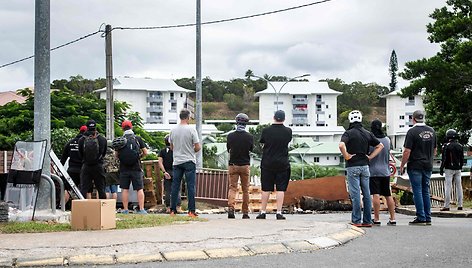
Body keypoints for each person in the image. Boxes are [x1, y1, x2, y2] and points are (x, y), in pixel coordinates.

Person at [339, 110, 383, 227]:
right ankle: (367, 220)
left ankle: (356, 220)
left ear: (350, 120)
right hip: (365, 166)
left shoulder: (348, 133)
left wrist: (347, 156)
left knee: (356, 194)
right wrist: (369, 157)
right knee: (367, 194)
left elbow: (341, 145)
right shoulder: (367, 133)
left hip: (352, 166)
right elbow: (380, 146)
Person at [400, 110, 437, 226]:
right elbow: (435, 150)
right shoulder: (432, 131)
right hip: (428, 164)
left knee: (417, 191)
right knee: (425, 190)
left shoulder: (412, 132)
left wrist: (402, 164)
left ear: (413, 119)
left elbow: (407, 151)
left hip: (415, 164)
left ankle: (421, 216)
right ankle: (428, 216)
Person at [256, 110, 292, 220]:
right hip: (282, 162)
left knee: (266, 188)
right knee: (281, 188)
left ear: (274, 117)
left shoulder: (266, 131)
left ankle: (263, 212)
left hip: (267, 162)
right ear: (284, 119)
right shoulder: (288, 131)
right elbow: (287, 142)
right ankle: (279, 212)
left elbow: (262, 142)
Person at [169, 109, 201, 218]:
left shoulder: (173, 130)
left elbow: (171, 147)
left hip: (177, 161)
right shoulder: (191, 130)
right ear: (187, 117)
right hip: (189, 160)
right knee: (190, 186)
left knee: (175, 186)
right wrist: (192, 150)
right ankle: (191, 210)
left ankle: (172, 210)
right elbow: (197, 147)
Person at [115, 120, 148, 214]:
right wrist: (139, 157)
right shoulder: (137, 138)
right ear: (131, 127)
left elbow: (116, 155)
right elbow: (145, 152)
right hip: (136, 167)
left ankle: (125, 209)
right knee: (139, 188)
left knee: (125, 189)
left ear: (122, 128)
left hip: (124, 168)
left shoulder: (120, 140)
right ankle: (141, 209)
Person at [226, 113, 254, 219]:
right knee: (245, 189)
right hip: (245, 165)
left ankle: (231, 209)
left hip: (233, 164)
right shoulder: (249, 137)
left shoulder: (230, 136)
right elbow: (251, 149)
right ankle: (245, 212)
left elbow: (228, 148)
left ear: (236, 122)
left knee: (233, 188)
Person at [369, 119, 396, 226]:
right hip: (385, 170)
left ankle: (376, 218)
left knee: (375, 194)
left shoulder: (371, 140)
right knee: (388, 194)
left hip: (373, 170)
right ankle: (393, 218)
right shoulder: (387, 140)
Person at [78, 120, 107, 199]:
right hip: (98, 166)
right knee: (101, 189)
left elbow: (80, 154)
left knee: (84, 188)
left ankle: (83, 208)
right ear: (95, 127)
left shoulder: (81, 140)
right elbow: (103, 153)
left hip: (86, 166)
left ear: (87, 127)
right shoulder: (102, 139)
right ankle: (103, 208)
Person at [60, 125, 86, 204]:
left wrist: (60, 170)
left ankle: (62, 206)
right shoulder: (87, 142)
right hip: (83, 170)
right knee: (86, 190)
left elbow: (63, 158)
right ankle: (87, 208)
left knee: (67, 189)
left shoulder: (70, 143)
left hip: (72, 170)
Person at [439, 129, 464, 211]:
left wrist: (441, 168)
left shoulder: (446, 146)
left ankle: (447, 206)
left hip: (449, 168)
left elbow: (444, 158)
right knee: (459, 186)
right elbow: (462, 158)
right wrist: (460, 167)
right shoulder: (460, 146)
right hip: (458, 168)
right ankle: (460, 205)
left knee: (448, 186)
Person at [158, 134, 181, 213]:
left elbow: (160, 162)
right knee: (177, 190)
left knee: (168, 190)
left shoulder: (162, 151)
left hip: (167, 172)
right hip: (176, 171)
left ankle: (168, 207)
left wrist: (164, 172)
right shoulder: (177, 150)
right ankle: (178, 207)